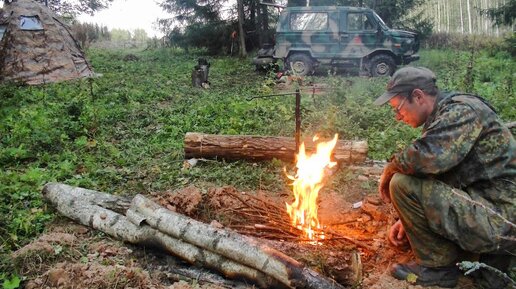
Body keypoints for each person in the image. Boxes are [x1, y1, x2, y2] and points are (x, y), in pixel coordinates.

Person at [374, 66, 515, 288]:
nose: (397, 117)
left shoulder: (461, 112)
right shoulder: (446, 113)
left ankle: (438, 268)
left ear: (418, 96)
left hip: (501, 221)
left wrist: (389, 171)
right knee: (409, 180)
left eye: (398, 108)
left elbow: (424, 158)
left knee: (401, 182)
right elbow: (443, 173)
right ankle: (460, 256)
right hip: (490, 209)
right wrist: (408, 219)